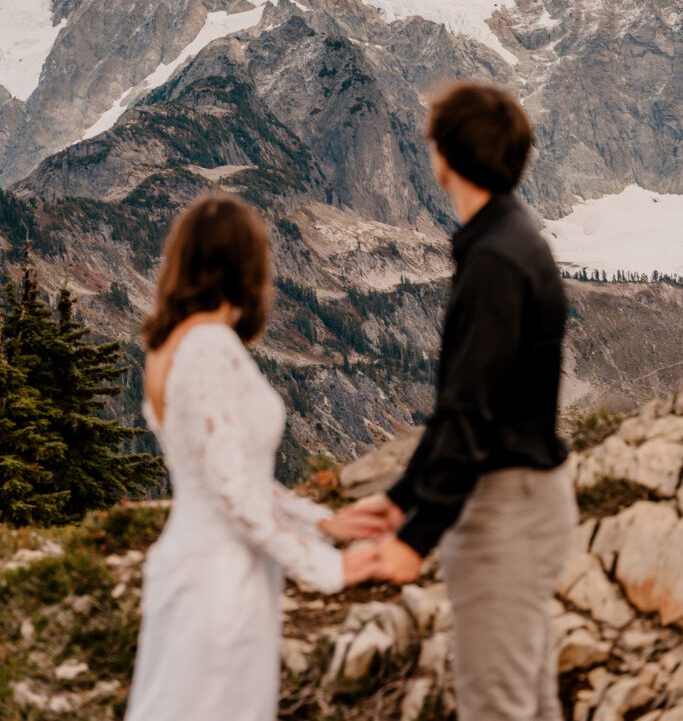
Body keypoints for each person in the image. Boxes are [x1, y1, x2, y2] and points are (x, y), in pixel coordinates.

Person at [352, 81, 578, 721]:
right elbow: (466, 403)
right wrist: (400, 500)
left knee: (495, 706)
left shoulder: (495, 262)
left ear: (445, 155)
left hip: (505, 506)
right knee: (526, 701)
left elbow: (471, 412)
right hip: (524, 496)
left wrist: (413, 536)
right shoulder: (509, 240)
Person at [125, 194, 387, 721]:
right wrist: (328, 567)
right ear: (245, 267)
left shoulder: (168, 347)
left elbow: (229, 479)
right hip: (222, 584)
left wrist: (323, 521)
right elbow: (235, 496)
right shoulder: (209, 347)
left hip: (194, 563)